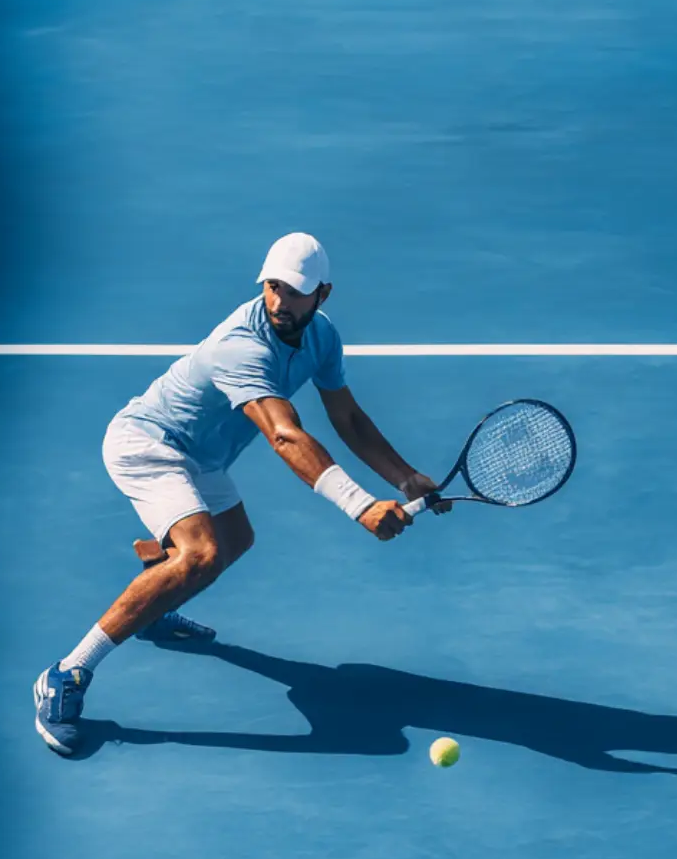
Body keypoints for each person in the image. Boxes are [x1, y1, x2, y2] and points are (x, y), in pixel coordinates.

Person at [33, 232, 451, 754]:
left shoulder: (322, 337)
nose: (279, 301)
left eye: (294, 292)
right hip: (150, 443)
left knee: (235, 540)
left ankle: (153, 606)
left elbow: (346, 416)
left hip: (201, 456)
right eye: (273, 287)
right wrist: (360, 504)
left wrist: (405, 478)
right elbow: (284, 435)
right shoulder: (242, 345)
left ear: (323, 294)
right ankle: (67, 672)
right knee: (200, 554)